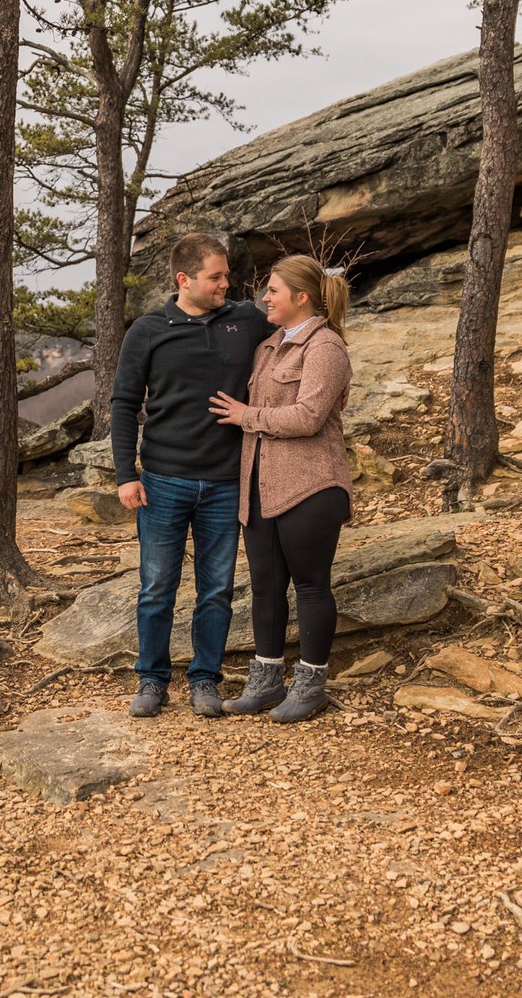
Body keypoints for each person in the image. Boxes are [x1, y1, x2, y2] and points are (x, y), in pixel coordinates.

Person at [110, 233, 270, 718]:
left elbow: (298, 337)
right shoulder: (148, 329)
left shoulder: (246, 320)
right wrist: (125, 475)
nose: (228, 283)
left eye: (227, 275)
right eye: (216, 276)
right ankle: (152, 680)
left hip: (226, 482)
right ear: (185, 280)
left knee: (217, 589)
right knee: (157, 586)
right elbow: (123, 403)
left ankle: (205, 679)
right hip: (162, 479)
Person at [209, 254, 353, 724]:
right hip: (259, 486)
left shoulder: (325, 347)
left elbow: (309, 416)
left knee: (311, 586)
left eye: (272, 291)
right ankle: (266, 681)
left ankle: (311, 685)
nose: (264, 298)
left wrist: (247, 416)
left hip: (311, 485)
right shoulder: (270, 346)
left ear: (301, 297)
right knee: (267, 587)